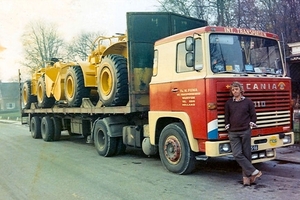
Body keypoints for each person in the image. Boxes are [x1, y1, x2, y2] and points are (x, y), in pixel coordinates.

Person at [224, 81, 262, 186]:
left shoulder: (248, 102)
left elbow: (253, 115)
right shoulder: (229, 103)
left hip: (245, 130)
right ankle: (254, 172)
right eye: (233, 90)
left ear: (241, 90)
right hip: (233, 132)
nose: (234, 91)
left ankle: (246, 179)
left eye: (236, 89)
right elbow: (226, 116)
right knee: (237, 154)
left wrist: (251, 123)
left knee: (247, 154)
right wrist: (227, 124)